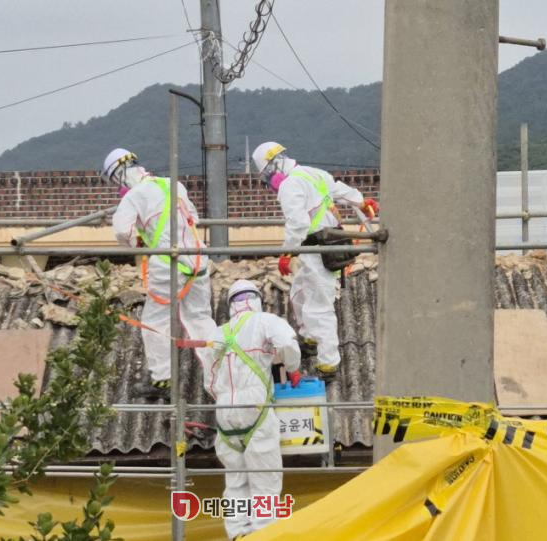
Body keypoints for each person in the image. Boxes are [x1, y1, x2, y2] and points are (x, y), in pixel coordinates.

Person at [251, 142, 379, 381]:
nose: (269, 182)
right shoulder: (312, 173)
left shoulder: (289, 185)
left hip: (316, 250)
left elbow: (298, 223)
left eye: (266, 176)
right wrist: (361, 202)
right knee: (298, 294)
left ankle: (328, 364)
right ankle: (309, 339)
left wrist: (287, 253)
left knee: (319, 308)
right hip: (324, 245)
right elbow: (340, 189)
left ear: (271, 168)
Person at [102, 147, 214, 398]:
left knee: (155, 320)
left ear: (118, 175)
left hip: (168, 264)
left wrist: (138, 242)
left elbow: (122, 231)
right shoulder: (174, 185)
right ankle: (220, 371)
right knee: (200, 318)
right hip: (197, 260)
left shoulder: (133, 197)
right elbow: (193, 218)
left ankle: (163, 379)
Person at [203, 279, 301, 540]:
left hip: (225, 411)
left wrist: (224, 397)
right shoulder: (265, 321)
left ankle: (237, 533)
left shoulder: (218, 333)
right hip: (255, 407)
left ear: (230, 305)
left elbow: (208, 380)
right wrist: (293, 367)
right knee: (265, 479)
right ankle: (263, 534)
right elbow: (287, 343)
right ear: (256, 300)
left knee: (235, 479)